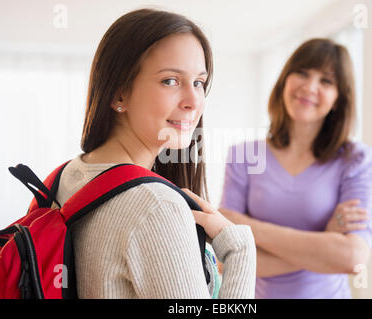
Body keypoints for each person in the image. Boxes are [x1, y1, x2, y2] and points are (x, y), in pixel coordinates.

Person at [55, 9, 256, 299]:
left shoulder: (65, 177)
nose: (192, 101)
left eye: (198, 82)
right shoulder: (157, 206)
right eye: (170, 81)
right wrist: (240, 249)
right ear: (119, 94)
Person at [218, 38, 372, 299]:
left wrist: (248, 228)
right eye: (302, 73)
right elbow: (225, 260)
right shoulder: (244, 155)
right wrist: (324, 242)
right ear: (285, 81)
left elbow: (353, 257)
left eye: (326, 81)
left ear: (339, 98)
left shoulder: (357, 159)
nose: (309, 86)